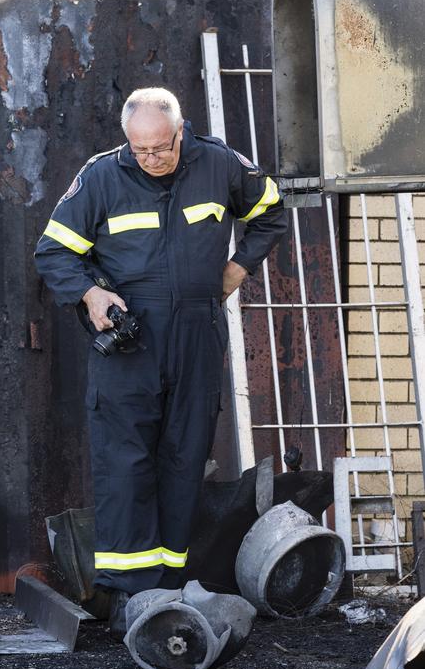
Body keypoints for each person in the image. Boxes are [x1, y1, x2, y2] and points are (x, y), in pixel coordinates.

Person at [35, 87, 287, 638]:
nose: (151, 160)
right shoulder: (101, 177)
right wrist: (91, 296)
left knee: (184, 457)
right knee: (126, 465)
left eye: (161, 149)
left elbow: (271, 208)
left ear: (180, 132)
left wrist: (238, 269)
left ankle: (171, 587)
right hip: (131, 341)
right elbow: (53, 251)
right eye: (140, 151)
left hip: (197, 332)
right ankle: (132, 595)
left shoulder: (219, 163)